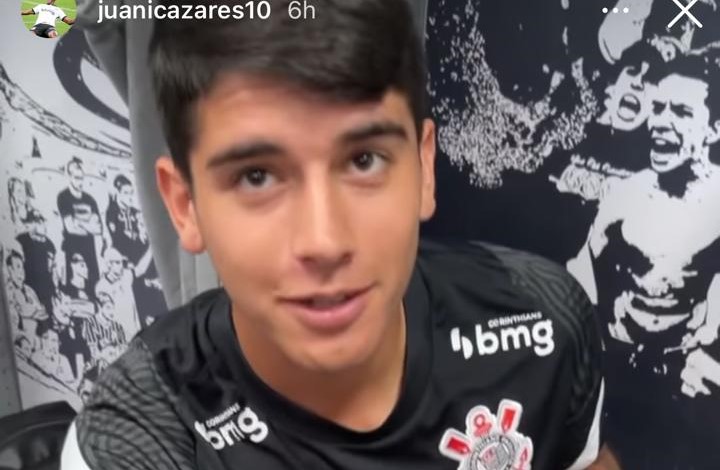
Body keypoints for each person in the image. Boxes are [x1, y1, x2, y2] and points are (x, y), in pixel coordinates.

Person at [69, 1, 616, 469]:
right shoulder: (141, 432)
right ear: (184, 204)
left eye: (363, 160)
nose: (325, 241)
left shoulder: (543, 323)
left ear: (424, 166)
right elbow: (44, 17)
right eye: (257, 176)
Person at [568, 52, 720, 467]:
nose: (661, 122)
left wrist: (708, 353)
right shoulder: (625, 196)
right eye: (658, 108)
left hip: (683, 386)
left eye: (681, 112)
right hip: (615, 372)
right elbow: (582, 276)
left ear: (713, 129)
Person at [57, 156, 103, 292]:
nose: (80, 182)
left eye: (82, 178)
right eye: (77, 178)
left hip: (90, 250)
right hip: (73, 250)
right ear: (69, 177)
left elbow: (98, 228)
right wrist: (88, 225)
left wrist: (79, 223)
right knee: (75, 288)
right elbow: (70, 228)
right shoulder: (63, 197)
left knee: (93, 287)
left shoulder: (90, 199)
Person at [16, 209, 57, 317]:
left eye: (43, 221)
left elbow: (51, 269)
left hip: (46, 289)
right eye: (38, 222)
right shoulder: (21, 240)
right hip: (28, 288)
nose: (43, 225)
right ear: (30, 224)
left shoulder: (49, 244)